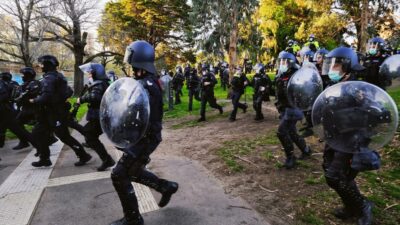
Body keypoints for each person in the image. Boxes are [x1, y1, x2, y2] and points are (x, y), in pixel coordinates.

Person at [110, 40, 179, 225]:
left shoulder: (147, 85)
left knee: (119, 174)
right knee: (132, 171)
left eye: (132, 62)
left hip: (144, 138)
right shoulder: (144, 81)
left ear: (139, 60)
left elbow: (140, 115)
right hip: (142, 137)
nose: (131, 66)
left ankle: (133, 220)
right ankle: (166, 187)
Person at [319, 46, 376, 225]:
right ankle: (350, 206)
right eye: (330, 64)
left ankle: (363, 206)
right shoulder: (333, 85)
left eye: (336, 65)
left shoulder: (358, 89)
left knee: (335, 176)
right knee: (331, 171)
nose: (331, 69)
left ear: (347, 66)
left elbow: (372, 115)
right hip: (334, 138)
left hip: (351, 141)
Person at [29, 55, 91, 167]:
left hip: (54, 113)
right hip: (50, 113)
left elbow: (46, 97)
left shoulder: (50, 78)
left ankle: (83, 155)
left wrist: (33, 100)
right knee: (37, 133)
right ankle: (44, 158)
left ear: (47, 65)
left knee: (64, 136)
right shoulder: (58, 76)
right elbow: (68, 91)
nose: (40, 66)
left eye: (42, 64)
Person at [274, 51, 312, 169]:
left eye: (284, 61)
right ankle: (305, 150)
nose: (282, 64)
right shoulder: (281, 75)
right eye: (280, 61)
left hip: (294, 109)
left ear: (290, 63)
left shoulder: (297, 75)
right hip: (285, 108)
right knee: (291, 131)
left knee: (282, 132)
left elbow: (304, 93)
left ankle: (291, 157)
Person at [78, 63, 116, 171]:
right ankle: (107, 160)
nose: (89, 74)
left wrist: (81, 99)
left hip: (99, 116)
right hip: (100, 115)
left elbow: (95, 97)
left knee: (89, 135)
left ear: (95, 73)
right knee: (90, 135)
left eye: (90, 72)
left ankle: (108, 160)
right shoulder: (101, 83)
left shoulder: (99, 84)